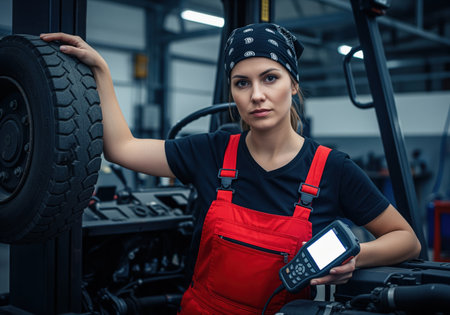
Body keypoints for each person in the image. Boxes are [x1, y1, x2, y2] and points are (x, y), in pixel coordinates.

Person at [41, 22, 421, 314]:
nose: (256, 95)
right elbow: (122, 148)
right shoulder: (211, 152)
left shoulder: (332, 169)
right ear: (232, 93)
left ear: (293, 85)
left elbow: (406, 239)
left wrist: (353, 257)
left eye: (270, 78)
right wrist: (102, 73)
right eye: (242, 83)